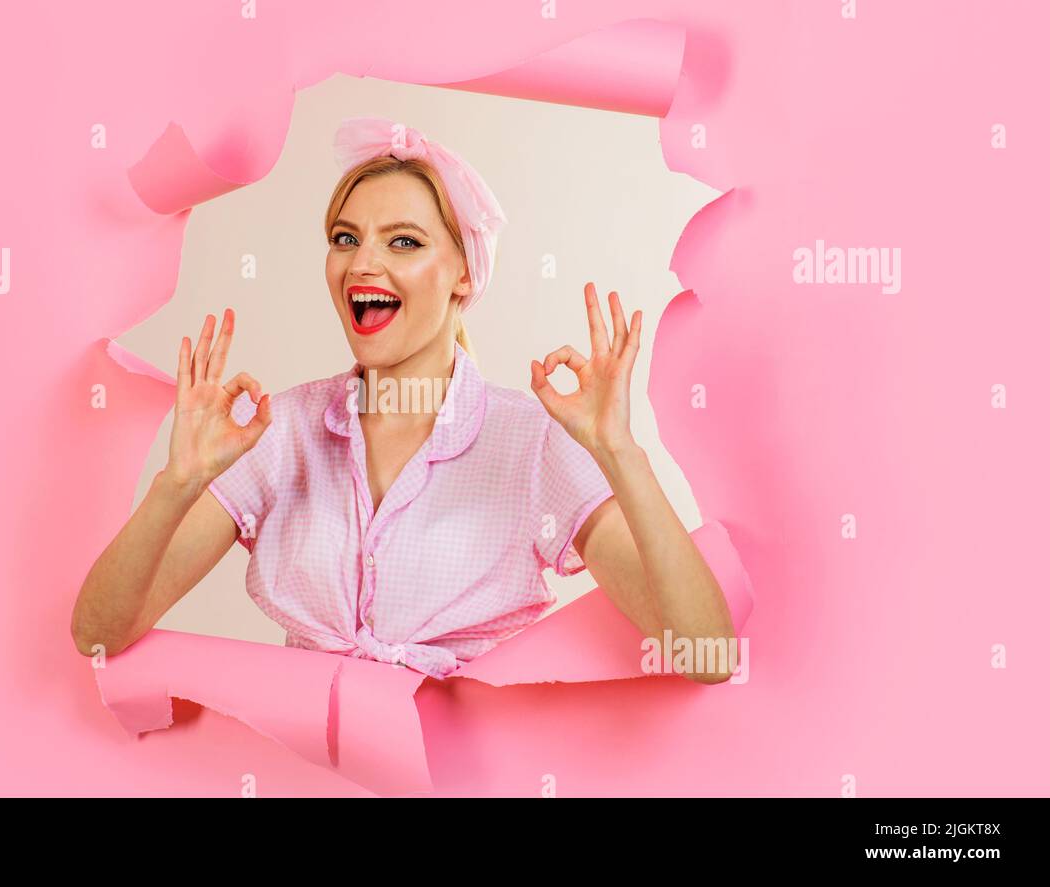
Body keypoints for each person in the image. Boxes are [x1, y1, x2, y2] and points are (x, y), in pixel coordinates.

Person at [71, 116, 736, 681]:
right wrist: (175, 483)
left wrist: (621, 454)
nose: (363, 264)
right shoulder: (277, 432)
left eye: (405, 242)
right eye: (346, 238)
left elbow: (705, 650)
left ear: (463, 274)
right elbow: (98, 636)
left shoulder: (531, 443)